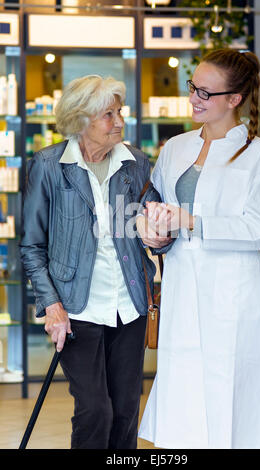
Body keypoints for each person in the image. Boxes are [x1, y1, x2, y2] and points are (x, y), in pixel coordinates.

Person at [137, 49, 260, 449]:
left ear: (234, 99)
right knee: (183, 382)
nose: (194, 99)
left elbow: (257, 230)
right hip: (183, 285)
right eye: (193, 88)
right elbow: (151, 204)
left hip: (234, 294)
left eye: (205, 93)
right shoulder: (175, 148)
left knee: (231, 387)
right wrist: (153, 233)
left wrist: (190, 221)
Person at [19, 74, 169, 449]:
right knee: (95, 410)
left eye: (119, 111)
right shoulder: (49, 166)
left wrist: (161, 235)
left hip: (130, 305)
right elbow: (33, 247)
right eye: (108, 114)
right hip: (75, 310)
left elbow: (157, 228)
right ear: (80, 119)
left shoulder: (135, 164)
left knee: (124, 411)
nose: (119, 121)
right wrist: (52, 306)